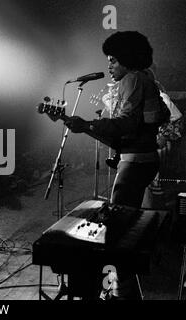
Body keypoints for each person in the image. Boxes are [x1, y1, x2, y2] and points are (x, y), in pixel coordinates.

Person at [65, 31, 170, 299]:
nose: (109, 66)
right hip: (142, 159)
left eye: (113, 60)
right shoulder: (146, 78)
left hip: (135, 161)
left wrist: (88, 124)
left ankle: (117, 293)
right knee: (124, 229)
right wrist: (90, 127)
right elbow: (145, 121)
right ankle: (122, 291)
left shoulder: (132, 78)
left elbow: (126, 123)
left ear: (126, 58)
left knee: (118, 233)